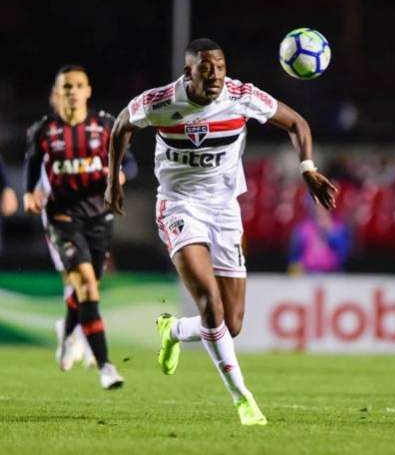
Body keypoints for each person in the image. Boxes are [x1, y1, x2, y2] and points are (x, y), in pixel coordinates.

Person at [105, 38, 337, 426]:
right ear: (188, 72)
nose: (214, 74)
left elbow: (296, 123)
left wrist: (307, 169)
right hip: (178, 205)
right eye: (205, 67)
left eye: (220, 66)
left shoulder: (241, 96)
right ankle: (242, 398)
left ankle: (174, 330)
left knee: (231, 324)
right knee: (209, 303)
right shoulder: (160, 102)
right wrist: (114, 178)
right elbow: (121, 126)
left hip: (226, 210)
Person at [24, 65, 135, 389]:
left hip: (99, 218)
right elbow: (32, 167)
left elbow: (129, 162)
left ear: (88, 90)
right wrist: (30, 194)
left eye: (78, 86)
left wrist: (122, 174)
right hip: (61, 218)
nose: (73, 91)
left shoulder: (105, 125)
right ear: (58, 93)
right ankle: (106, 367)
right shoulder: (43, 131)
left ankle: (68, 332)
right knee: (86, 284)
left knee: (85, 289)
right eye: (66, 87)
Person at [288, 197, 349, 274]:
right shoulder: (303, 228)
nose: (320, 209)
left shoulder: (338, 227)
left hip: (332, 274)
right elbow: (294, 255)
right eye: (317, 205)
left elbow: (343, 254)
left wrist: (329, 233)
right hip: (308, 274)